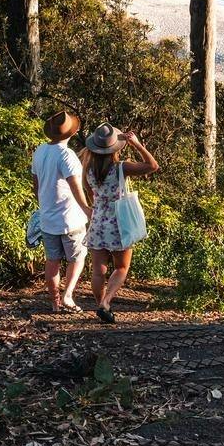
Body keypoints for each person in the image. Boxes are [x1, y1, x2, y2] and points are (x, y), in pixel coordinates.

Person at [82, 123, 160, 323]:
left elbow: (91, 195)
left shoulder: (88, 169)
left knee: (98, 270)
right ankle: (105, 302)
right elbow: (152, 166)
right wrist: (136, 144)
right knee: (121, 268)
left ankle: (101, 306)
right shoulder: (120, 167)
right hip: (118, 222)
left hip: (98, 221)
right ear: (114, 147)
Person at [31, 112, 91, 314]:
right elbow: (75, 186)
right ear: (72, 133)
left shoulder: (39, 151)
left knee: (52, 260)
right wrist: (87, 210)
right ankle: (68, 295)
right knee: (77, 257)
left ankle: (55, 303)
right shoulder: (67, 155)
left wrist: (43, 205)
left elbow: (36, 184)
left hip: (48, 218)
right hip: (70, 217)